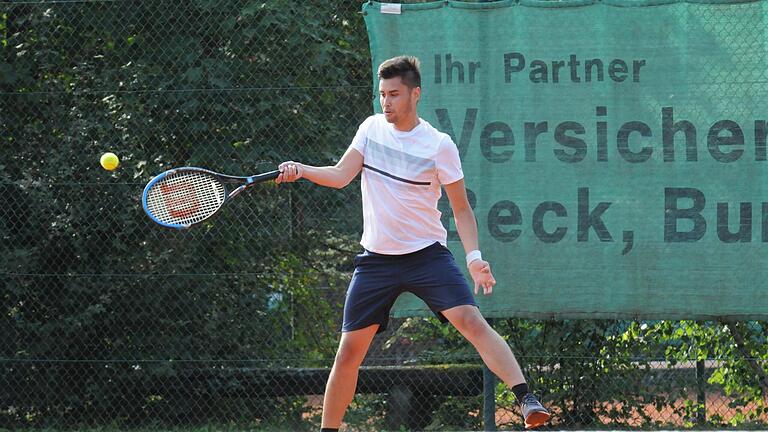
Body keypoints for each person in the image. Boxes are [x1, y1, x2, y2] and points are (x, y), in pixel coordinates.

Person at [276, 55, 550, 431]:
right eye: (382, 94)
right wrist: (302, 170)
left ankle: (526, 399)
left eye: (394, 94)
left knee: (471, 321)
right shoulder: (370, 129)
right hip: (376, 261)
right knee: (348, 354)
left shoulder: (439, 145)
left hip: (426, 257)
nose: (386, 103)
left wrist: (474, 258)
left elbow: (462, 209)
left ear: (415, 94)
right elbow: (340, 175)